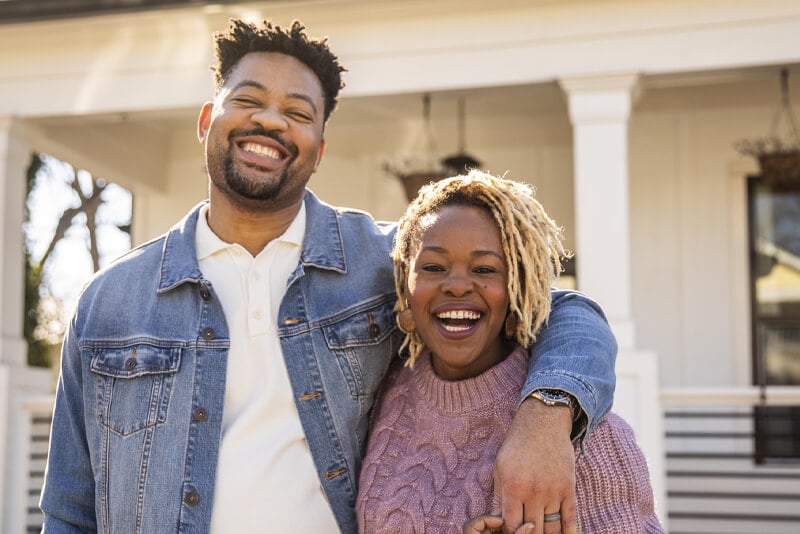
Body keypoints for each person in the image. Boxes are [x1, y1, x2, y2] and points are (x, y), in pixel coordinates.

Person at [39, 19, 617, 534]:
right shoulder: (110, 301)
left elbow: (564, 309)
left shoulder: (383, 260)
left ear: (317, 150)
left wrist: (547, 414)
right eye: (249, 100)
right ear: (206, 120)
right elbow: (70, 510)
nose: (270, 120)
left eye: (297, 112)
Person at [356, 170, 664, 534]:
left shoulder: (575, 431)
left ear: (517, 287)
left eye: (485, 268)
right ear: (405, 281)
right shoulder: (384, 390)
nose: (456, 285)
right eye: (434, 267)